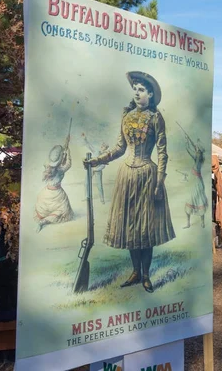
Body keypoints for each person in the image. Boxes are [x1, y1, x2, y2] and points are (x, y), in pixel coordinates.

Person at [84, 71, 175, 293]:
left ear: (150, 94)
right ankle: (135, 272)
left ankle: (145, 275)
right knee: (130, 227)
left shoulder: (155, 117)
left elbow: (162, 153)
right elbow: (119, 148)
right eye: (134, 88)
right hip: (127, 176)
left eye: (141, 89)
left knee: (146, 228)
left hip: (147, 176)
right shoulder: (126, 116)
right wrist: (97, 160)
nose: (136, 92)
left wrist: (159, 181)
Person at [34, 143, 74, 232]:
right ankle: (44, 221)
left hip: (46, 193)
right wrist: (68, 153)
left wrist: (62, 157)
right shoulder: (60, 170)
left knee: (43, 209)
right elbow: (68, 164)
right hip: (58, 194)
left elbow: (54, 162)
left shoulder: (47, 168)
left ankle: (43, 219)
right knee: (63, 211)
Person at [183, 136, 208, 229]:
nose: (196, 148)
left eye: (197, 148)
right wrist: (187, 143)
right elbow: (190, 151)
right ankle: (189, 223)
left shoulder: (200, 157)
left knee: (198, 200)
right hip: (195, 181)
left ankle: (202, 222)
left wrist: (193, 145)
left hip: (197, 182)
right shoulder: (198, 156)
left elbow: (194, 153)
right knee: (191, 200)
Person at [82, 132, 109, 204]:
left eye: (105, 147)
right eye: (102, 146)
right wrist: (85, 139)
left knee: (99, 185)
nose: (103, 148)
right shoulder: (96, 151)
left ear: (106, 149)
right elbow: (89, 146)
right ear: (101, 147)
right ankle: (86, 196)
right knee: (86, 182)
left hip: (98, 170)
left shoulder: (105, 155)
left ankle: (102, 199)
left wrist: (96, 169)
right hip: (91, 169)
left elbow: (103, 166)